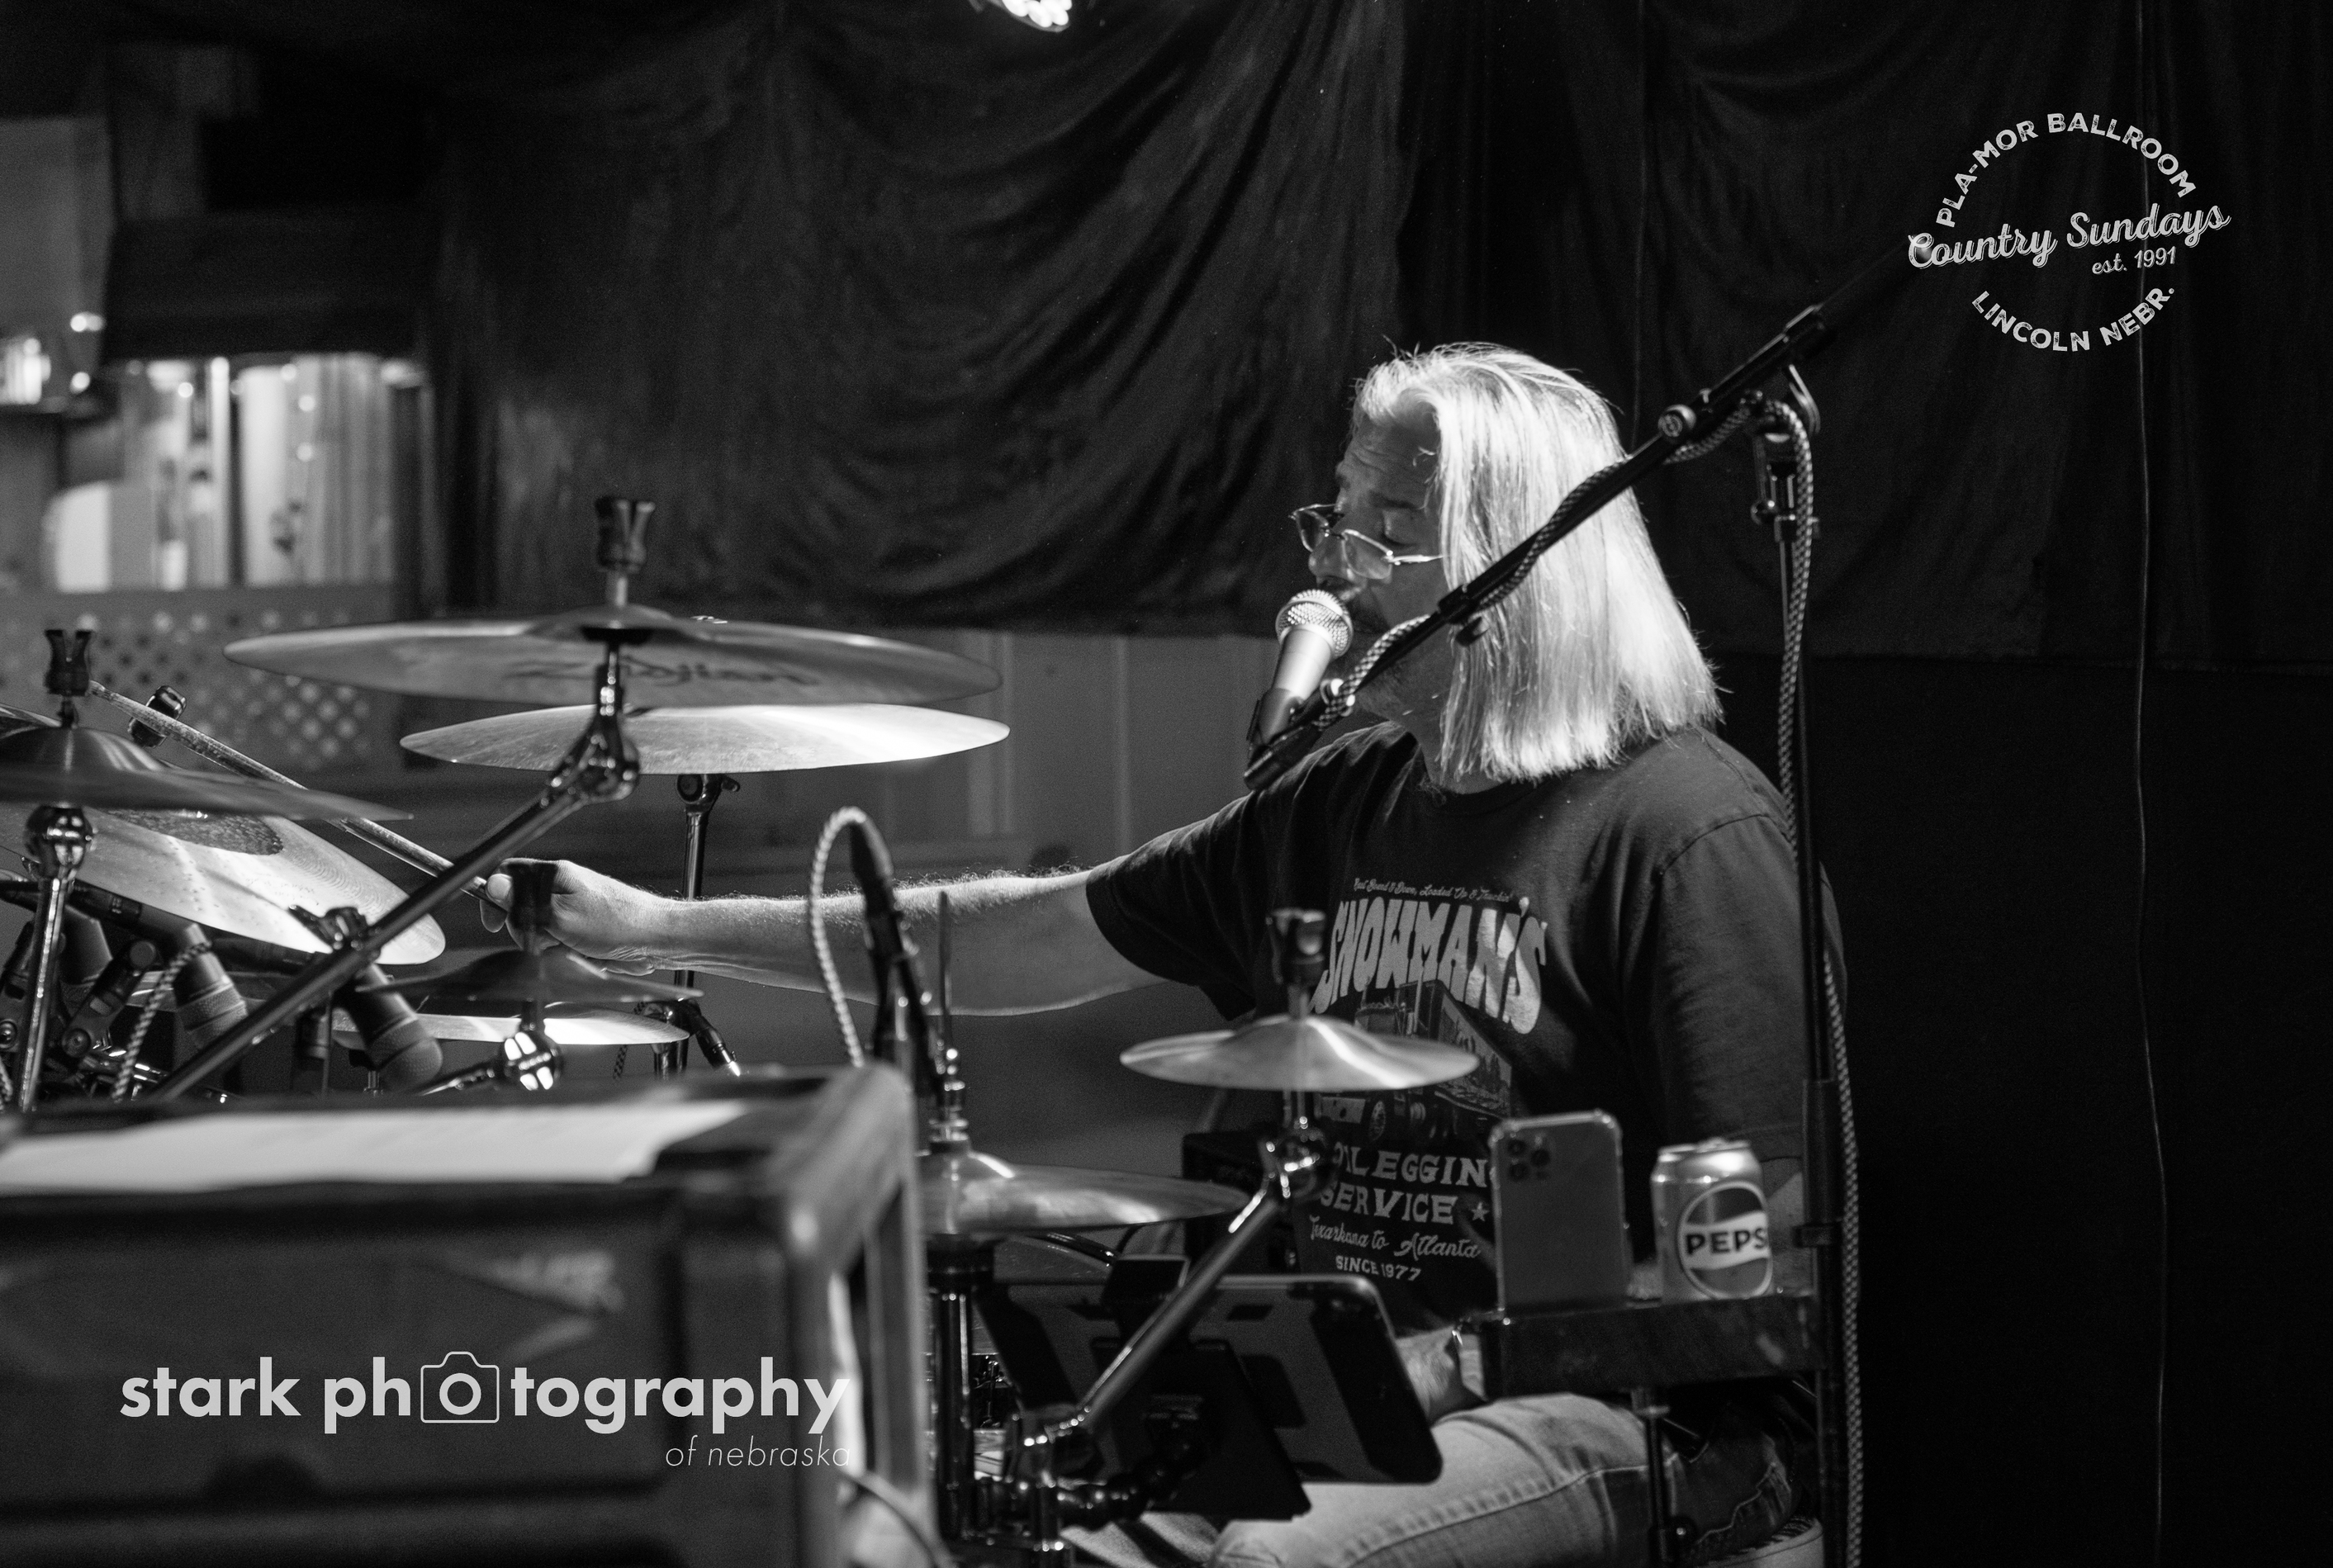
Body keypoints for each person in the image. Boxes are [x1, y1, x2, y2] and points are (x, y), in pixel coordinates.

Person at [503, 344, 1822, 1566]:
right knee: (966, 1524)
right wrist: (654, 929)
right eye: (1335, 517)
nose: (1338, 568)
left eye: (1390, 526)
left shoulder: (1686, 833)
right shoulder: (1343, 798)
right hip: (1342, 1389)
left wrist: (1462, 1362)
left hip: (1623, 1411)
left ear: (1516, 563)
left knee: (1275, 1559)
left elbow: (1760, 1240)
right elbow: (1026, 934)